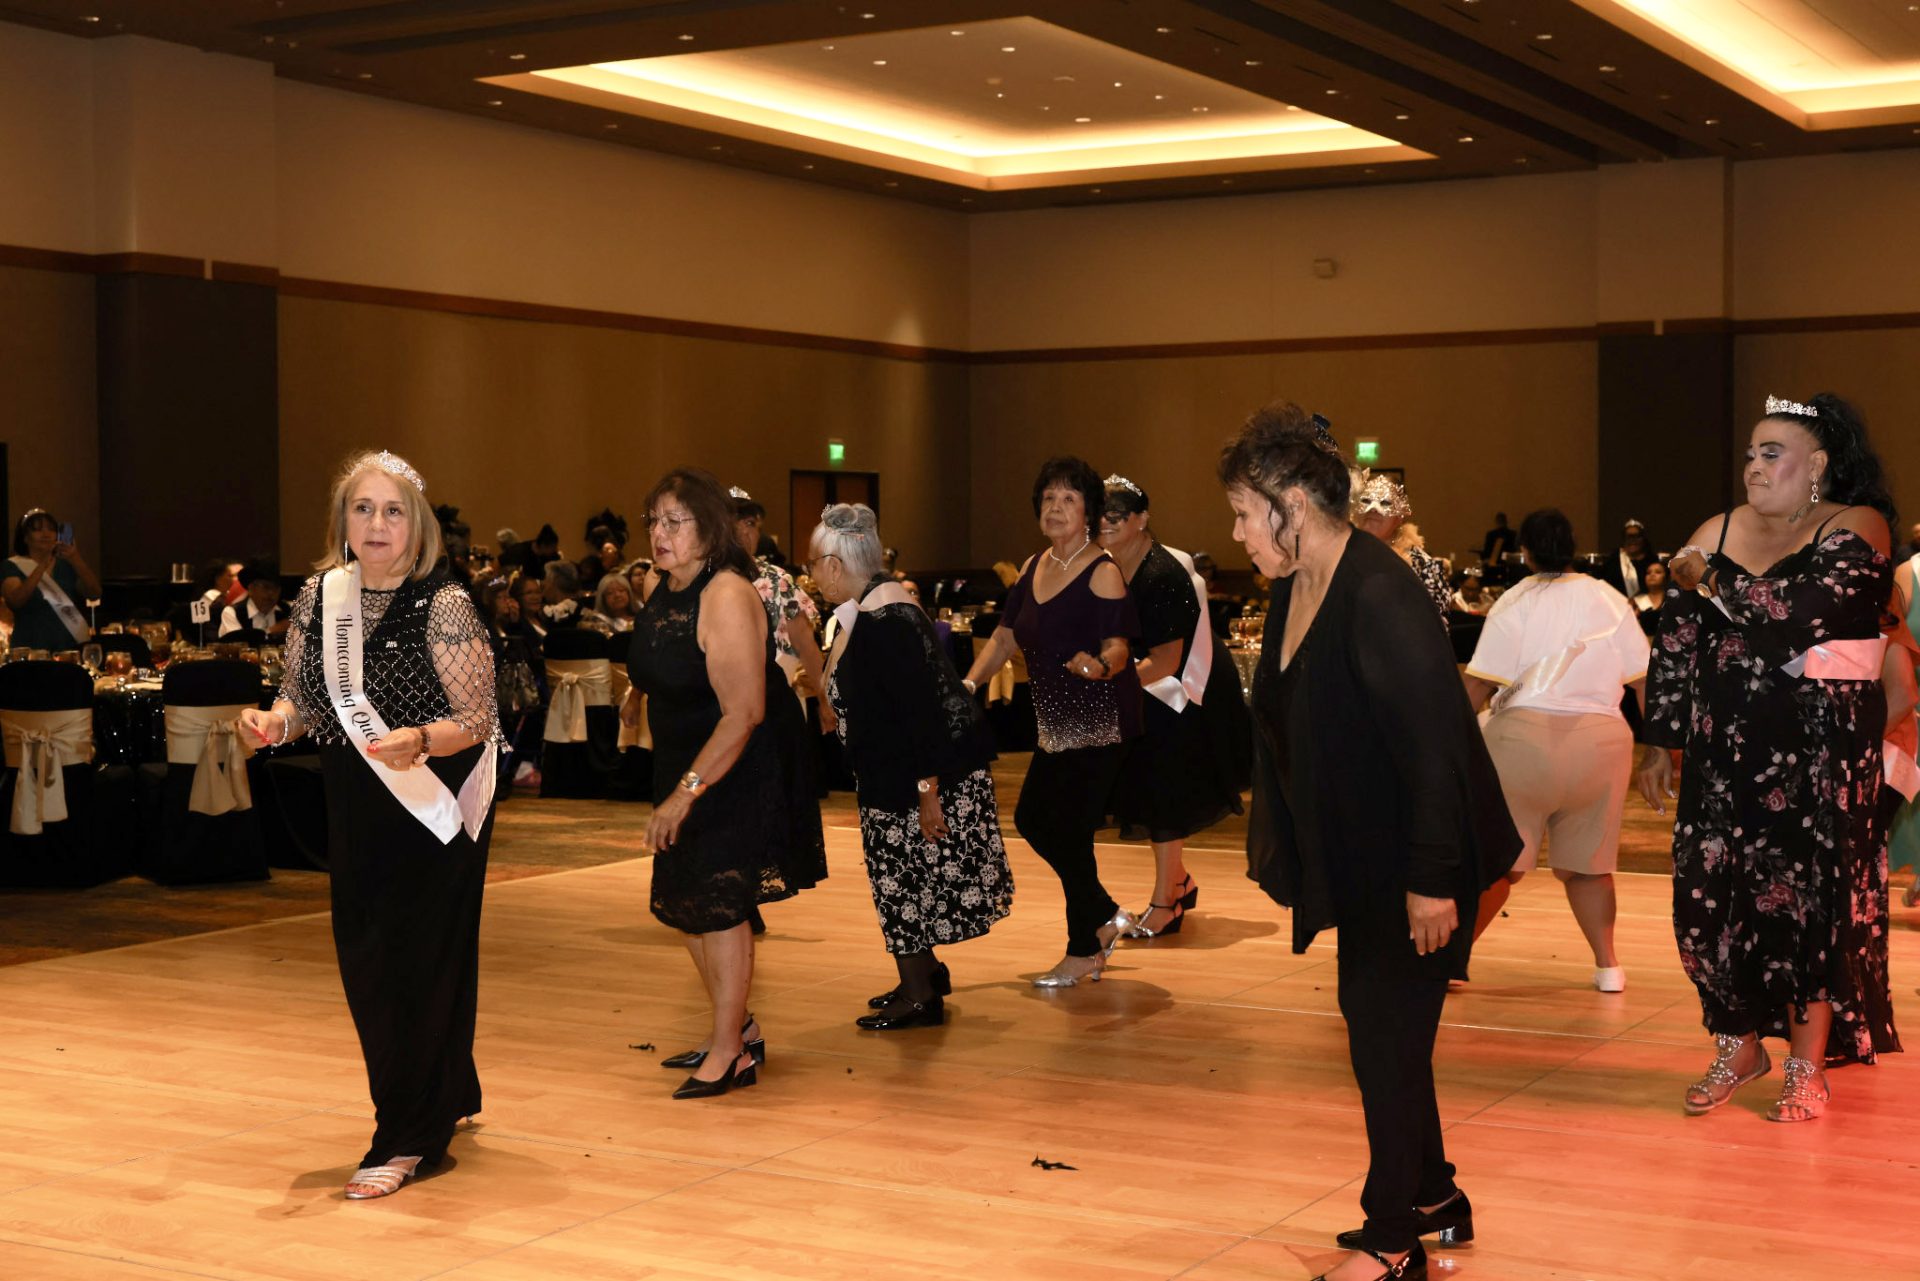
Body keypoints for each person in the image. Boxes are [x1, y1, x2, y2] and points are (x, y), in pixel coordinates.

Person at [1226, 402, 1518, 1281]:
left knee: (1384, 1039)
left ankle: (1395, 1241)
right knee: (1377, 1027)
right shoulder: (1294, 589)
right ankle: (1434, 1196)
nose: (1236, 532)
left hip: (1420, 859)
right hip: (1365, 856)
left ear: (1294, 506)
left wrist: (1431, 880)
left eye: (1244, 512)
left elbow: (1435, 743)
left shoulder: (1379, 591)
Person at [239, 449, 501, 1200]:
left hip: (434, 801)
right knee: (369, 953)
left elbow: (477, 719)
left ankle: (408, 1133)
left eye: (392, 510)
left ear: (415, 524)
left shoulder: (442, 602)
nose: (377, 523)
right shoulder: (324, 595)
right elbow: (303, 694)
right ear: (342, 522)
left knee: (418, 958)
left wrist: (420, 739)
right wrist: (275, 721)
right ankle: (444, 1088)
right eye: (363, 509)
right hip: (357, 798)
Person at [1640, 392, 1901, 1123]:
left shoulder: (1857, 524)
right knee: (1704, 898)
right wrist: (1661, 738)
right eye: (1751, 451)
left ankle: (1806, 1065)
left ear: (1816, 464)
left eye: (1771, 452)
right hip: (1722, 749)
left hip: (1817, 751)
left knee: (1807, 904)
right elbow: (1676, 639)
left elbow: (1795, 615)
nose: (1754, 464)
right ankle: (1738, 1042)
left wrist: (1711, 576)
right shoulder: (1718, 526)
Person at [621, 468, 826, 1098]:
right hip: (683, 762)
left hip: (732, 766)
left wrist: (686, 792)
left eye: (674, 522)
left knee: (720, 906)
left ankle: (731, 1051)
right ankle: (737, 1026)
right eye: (654, 520)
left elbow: (745, 713)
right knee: (685, 905)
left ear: (709, 529)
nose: (659, 533)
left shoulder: (728, 594)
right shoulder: (663, 584)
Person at [811, 503, 1013, 1029]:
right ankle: (921, 972)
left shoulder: (885, 619)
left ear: (835, 565)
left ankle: (920, 993)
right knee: (901, 877)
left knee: (900, 880)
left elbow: (920, 714)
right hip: (895, 771)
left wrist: (928, 792)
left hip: (911, 776)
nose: (812, 576)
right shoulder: (875, 607)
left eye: (814, 564)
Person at [963, 456, 1141, 986]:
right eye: (1048, 499)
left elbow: (1120, 650)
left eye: (1068, 499)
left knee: (1066, 828)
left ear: (1088, 511)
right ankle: (1104, 916)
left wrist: (1098, 665)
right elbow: (1005, 637)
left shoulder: (1103, 571)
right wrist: (969, 684)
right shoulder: (1033, 565)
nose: (1056, 508)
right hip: (1055, 723)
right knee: (1035, 821)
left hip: (1101, 721)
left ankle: (1084, 947)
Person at [1461, 509, 1648, 992]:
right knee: (1590, 867)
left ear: (1525, 551)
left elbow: (1480, 681)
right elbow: (1645, 680)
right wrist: (1661, 748)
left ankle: (1448, 961)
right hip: (1602, 746)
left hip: (1524, 742)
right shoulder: (1609, 598)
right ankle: (1608, 966)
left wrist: (1444, 738)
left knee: (1503, 860)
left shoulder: (1515, 599)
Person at [1096, 475, 1250, 938]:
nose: (1104, 523)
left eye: (1116, 515)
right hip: (1142, 681)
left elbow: (1167, 659)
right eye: (1099, 515)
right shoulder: (1104, 565)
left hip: (1180, 684)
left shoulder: (1161, 573)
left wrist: (1105, 687)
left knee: (1164, 791)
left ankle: (1167, 900)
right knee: (1149, 786)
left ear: (1141, 520)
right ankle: (1178, 882)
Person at [1354, 474, 1451, 625]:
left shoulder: (1422, 565)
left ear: (1401, 515)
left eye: (1385, 502)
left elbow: (1432, 629)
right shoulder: (1340, 555)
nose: (1373, 509)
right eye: (1366, 500)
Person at [3, 509, 101, 652]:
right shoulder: (12, 565)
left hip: (69, 646)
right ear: (25, 537)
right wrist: (41, 566)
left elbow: (95, 593)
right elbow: (16, 601)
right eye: (38, 530)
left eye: (51, 529)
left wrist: (75, 557)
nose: (46, 534)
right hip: (30, 646)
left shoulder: (66, 565)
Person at [218, 558, 289, 639]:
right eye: (266, 587)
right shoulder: (232, 613)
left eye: (276, 588)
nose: (271, 593)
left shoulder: (287, 612)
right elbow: (236, 644)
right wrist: (269, 632)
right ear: (251, 588)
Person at [1599, 518, 1658, 601]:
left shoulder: (1652, 560)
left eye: (1637, 536)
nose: (1633, 540)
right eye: (1629, 537)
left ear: (1643, 539)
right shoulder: (1614, 560)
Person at [1630, 560, 1669, 631]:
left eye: (1658, 572)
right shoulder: (1636, 601)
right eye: (1648, 573)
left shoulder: (1673, 599)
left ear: (1666, 577)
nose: (1652, 575)